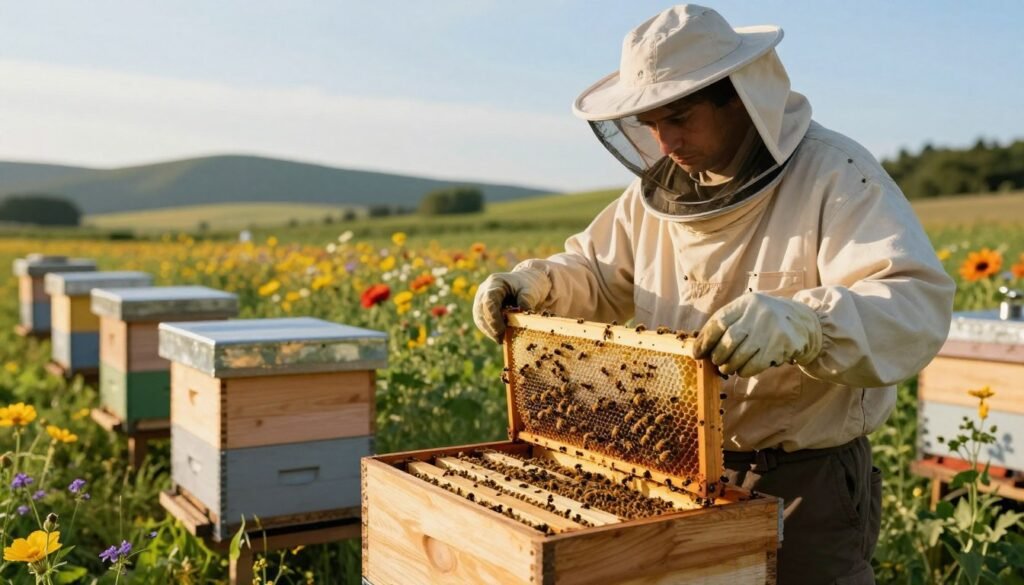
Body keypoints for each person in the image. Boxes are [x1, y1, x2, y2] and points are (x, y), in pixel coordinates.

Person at [472, 5, 955, 584]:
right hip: (671, 467)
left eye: (680, 117)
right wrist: (534, 285)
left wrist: (806, 323)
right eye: (650, 123)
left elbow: (912, 304)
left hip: (803, 478)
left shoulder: (837, 176)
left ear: (739, 97)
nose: (665, 141)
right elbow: (596, 274)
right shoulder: (653, 199)